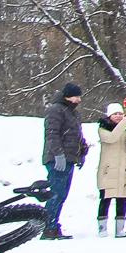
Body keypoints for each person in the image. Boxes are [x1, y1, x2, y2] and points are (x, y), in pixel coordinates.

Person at [39, 83, 87, 239]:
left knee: (62, 194)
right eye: (76, 96)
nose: (79, 100)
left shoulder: (73, 113)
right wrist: (58, 155)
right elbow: (52, 134)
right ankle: (48, 227)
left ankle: (53, 224)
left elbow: (76, 136)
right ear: (68, 96)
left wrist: (81, 152)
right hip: (56, 159)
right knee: (55, 193)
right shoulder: (56, 110)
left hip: (69, 159)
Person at [95, 102, 126, 237]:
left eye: (120, 113)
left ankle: (120, 229)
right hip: (108, 170)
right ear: (109, 115)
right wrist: (125, 122)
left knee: (122, 199)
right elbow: (112, 137)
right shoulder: (103, 129)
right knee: (105, 199)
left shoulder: (125, 128)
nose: (119, 116)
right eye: (115, 114)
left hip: (124, 170)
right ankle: (102, 228)